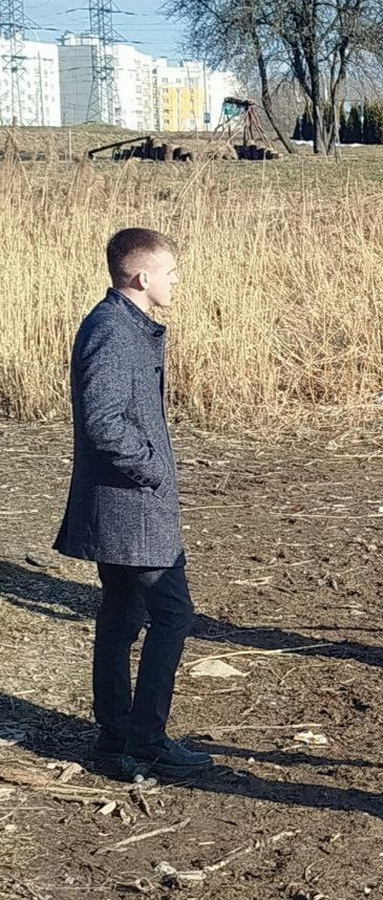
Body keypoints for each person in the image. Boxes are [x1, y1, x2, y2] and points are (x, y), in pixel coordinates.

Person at [54, 228, 212, 777]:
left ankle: (114, 736)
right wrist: (154, 469)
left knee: (122, 616)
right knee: (173, 614)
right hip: (131, 509)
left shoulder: (123, 324)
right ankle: (144, 739)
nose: (176, 281)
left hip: (128, 507)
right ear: (143, 278)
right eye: (171, 273)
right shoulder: (112, 330)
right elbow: (103, 421)